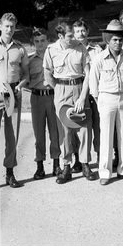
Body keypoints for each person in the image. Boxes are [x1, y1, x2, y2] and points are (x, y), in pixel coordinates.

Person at [43, 21, 95, 184]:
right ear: (60, 36)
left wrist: (81, 97)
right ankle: (66, 166)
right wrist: (59, 91)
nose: (74, 38)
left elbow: (88, 74)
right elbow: (48, 75)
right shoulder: (51, 50)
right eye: (70, 35)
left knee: (84, 128)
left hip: (80, 89)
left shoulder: (80, 48)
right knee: (64, 131)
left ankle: (85, 164)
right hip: (61, 90)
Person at [89, 20, 123, 185]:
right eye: (114, 39)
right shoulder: (99, 58)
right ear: (107, 40)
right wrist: (99, 101)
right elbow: (93, 83)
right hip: (106, 98)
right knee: (106, 137)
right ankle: (105, 172)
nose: (118, 42)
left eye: (120, 39)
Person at [0, 13, 30, 188]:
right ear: (0, 26)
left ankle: (10, 174)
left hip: (13, 94)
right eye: (6, 26)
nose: (9, 29)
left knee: (12, 136)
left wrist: (20, 85)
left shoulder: (20, 49)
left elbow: (26, 73)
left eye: (12, 26)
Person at [27, 28, 61, 180]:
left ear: (48, 41)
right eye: (37, 41)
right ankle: (39, 165)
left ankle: (56, 164)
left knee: (55, 132)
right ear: (33, 43)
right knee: (39, 133)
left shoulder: (55, 57)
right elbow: (25, 79)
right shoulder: (29, 60)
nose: (40, 44)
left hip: (53, 96)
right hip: (37, 98)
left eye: (43, 40)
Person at [72, 19, 102, 170]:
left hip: (94, 95)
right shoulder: (72, 50)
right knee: (79, 128)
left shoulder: (96, 50)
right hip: (78, 95)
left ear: (88, 32)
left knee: (98, 128)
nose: (80, 34)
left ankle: (99, 157)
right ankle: (78, 160)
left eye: (83, 30)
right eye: (77, 31)